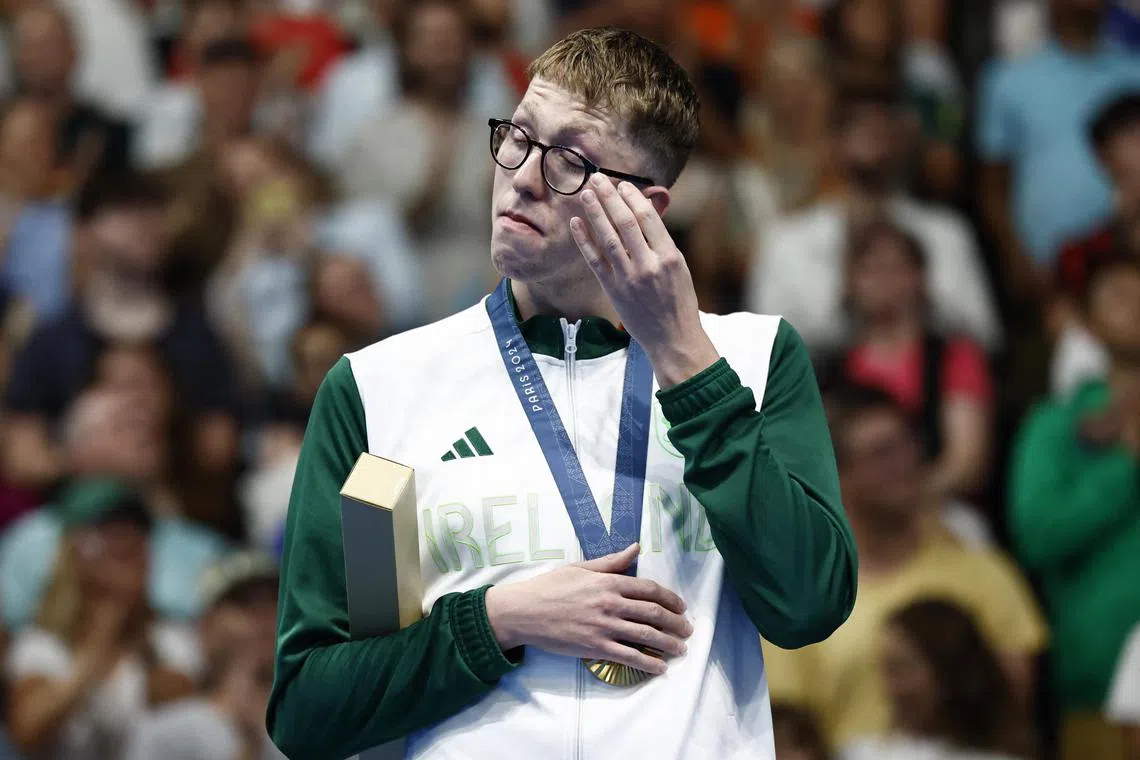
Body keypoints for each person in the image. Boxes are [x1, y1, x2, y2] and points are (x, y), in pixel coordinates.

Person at [268, 27, 858, 760]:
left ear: (649, 205)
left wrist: (685, 362)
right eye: (517, 136)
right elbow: (309, 710)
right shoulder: (378, 388)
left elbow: (808, 606)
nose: (521, 176)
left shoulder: (754, 360)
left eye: (570, 161)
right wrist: (495, 622)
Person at [764, 383, 1046, 751]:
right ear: (836, 475)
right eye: (882, 452)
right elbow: (790, 729)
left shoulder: (986, 573)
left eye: (908, 443)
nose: (904, 461)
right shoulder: (803, 595)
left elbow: (1010, 709)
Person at [1009, 254, 1140, 760]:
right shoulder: (1055, 424)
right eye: (1117, 296)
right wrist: (1126, 469)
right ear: (1086, 322)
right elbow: (1037, 532)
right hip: (1098, 682)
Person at [3, 478, 201, 760]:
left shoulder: (171, 639)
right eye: (108, 532)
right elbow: (28, 731)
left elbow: (181, 720)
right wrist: (105, 628)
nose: (126, 540)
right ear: (73, 552)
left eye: (136, 532)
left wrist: (137, 629)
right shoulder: (41, 645)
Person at [124, 550, 285, 760]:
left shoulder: (324, 726)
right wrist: (249, 748)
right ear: (206, 626)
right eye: (245, 604)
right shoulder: (168, 733)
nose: (265, 615)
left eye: (275, 602)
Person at [841, 599, 1035, 760]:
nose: (890, 689)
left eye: (901, 670)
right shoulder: (857, 754)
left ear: (950, 671)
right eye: (885, 671)